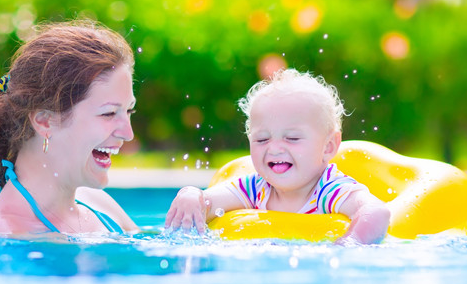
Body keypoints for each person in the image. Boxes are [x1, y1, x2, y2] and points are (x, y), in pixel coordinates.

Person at [165, 69, 390, 245]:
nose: (274, 149)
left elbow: (377, 212)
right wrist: (191, 194)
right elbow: (208, 202)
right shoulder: (256, 187)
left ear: (328, 146)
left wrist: (349, 243)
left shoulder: (329, 190)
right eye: (262, 139)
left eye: (291, 138)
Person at [0, 20, 139, 238]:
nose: (128, 133)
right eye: (108, 113)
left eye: (129, 111)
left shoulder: (98, 205)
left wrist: (194, 202)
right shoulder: (7, 232)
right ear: (44, 121)